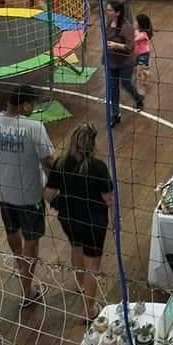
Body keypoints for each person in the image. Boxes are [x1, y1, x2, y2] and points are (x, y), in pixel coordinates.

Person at [0, 85, 54, 309]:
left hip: (3, 194)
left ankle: (20, 265)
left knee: (12, 233)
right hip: (29, 197)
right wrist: (57, 186)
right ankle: (27, 291)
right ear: (26, 105)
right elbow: (48, 161)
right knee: (31, 242)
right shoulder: (34, 127)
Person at [45, 123, 113, 323]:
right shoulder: (98, 167)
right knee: (93, 264)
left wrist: (61, 204)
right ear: (92, 144)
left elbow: (48, 194)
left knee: (76, 247)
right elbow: (108, 198)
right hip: (93, 221)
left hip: (69, 218)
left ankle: (80, 284)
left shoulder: (60, 163)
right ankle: (89, 311)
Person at [106, 0, 144, 125]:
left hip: (125, 62)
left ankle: (138, 98)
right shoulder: (108, 22)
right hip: (112, 61)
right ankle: (115, 114)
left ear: (117, 13)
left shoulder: (126, 26)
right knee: (113, 88)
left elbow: (130, 47)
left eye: (110, 10)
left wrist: (116, 45)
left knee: (126, 84)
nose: (107, 12)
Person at [134, 12, 153, 96]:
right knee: (140, 70)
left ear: (141, 24)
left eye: (136, 22)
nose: (134, 23)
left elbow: (134, 39)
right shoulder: (137, 31)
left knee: (138, 72)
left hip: (144, 54)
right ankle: (146, 73)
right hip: (137, 54)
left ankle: (140, 88)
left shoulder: (143, 34)